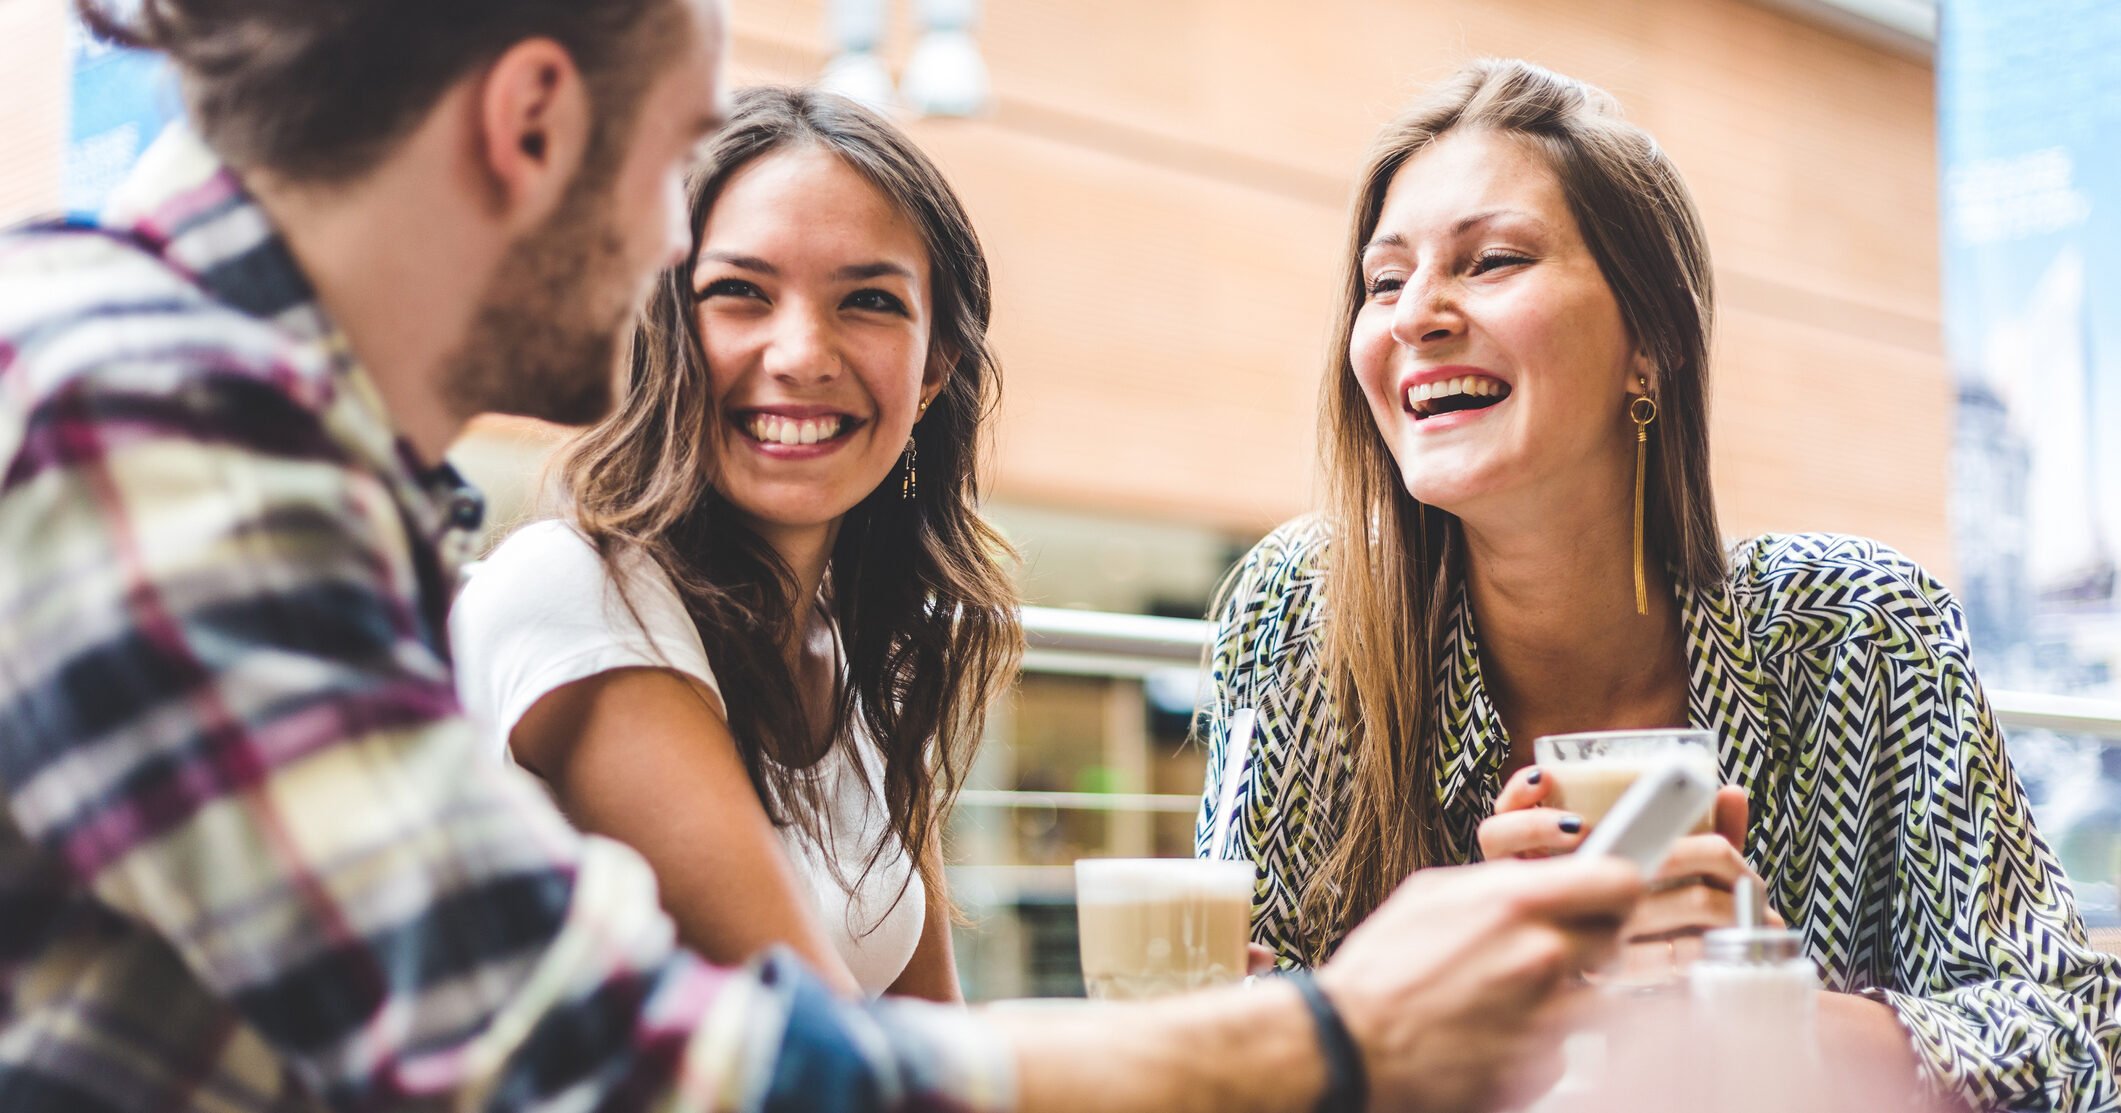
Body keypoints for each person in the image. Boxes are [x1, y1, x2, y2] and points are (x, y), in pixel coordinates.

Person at [0, 5, 1647, 1111]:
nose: (670, 255)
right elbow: (604, 1056)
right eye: (681, 180)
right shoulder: (144, 420)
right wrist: (1334, 1038)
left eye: (869, 299)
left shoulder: (272, 441)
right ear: (529, 122)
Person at [1196, 57, 2121, 1112]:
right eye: (1384, 280)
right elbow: (1232, 1012)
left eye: (1491, 260)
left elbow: (2082, 1035)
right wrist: (1439, 994)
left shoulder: (1860, 629)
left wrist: (1763, 1007)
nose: (1417, 314)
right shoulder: (1297, 612)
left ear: (1655, 340)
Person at [450, 87, 1018, 1004]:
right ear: (659, 327)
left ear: (933, 371)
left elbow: (930, 1039)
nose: (801, 353)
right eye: (737, 293)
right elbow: (833, 1058)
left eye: (868, 300)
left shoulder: (857, 652)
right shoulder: (581, 596)